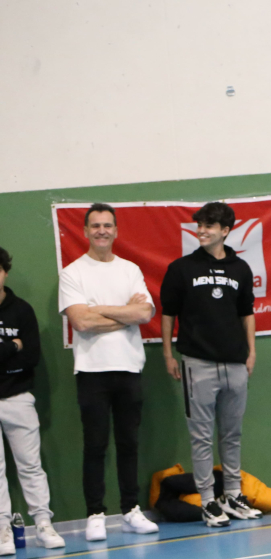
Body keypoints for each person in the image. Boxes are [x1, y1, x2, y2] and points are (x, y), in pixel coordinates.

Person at [59, 203, 160, 541]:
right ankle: (95, 515)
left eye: (107, 225)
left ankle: (130, 511)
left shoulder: (130, 270)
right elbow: (81, 321)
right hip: (92, 371)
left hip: (129, 368)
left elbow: (144, 313)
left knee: (129, 443)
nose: (101, 231)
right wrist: (124, 313)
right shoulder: (73, 273)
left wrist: (99, 309)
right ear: (85, 231)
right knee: (95, 445)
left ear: (115, 231)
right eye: (95, 225)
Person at [161, 202, 262, 528]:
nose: (202, 231)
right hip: (197, 364)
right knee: (201, 437)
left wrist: (251, 351)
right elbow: (168, 314)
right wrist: (167, 354)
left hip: (235, 364)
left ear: (225, 231)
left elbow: (247, 312)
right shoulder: (181, 268)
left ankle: (232, 494)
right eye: (200, 225)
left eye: (209, 226)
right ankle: (207, 500)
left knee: (232, 434)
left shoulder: (240, 268)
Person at [0, 247, 66, 554]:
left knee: (30, 465)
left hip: (19, 397)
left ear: (5, 272)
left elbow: (31, 358)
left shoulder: (22, 310)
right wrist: (12, 347)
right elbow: (19, 352)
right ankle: (2, 530)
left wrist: (13, 356)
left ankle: (43, 523)